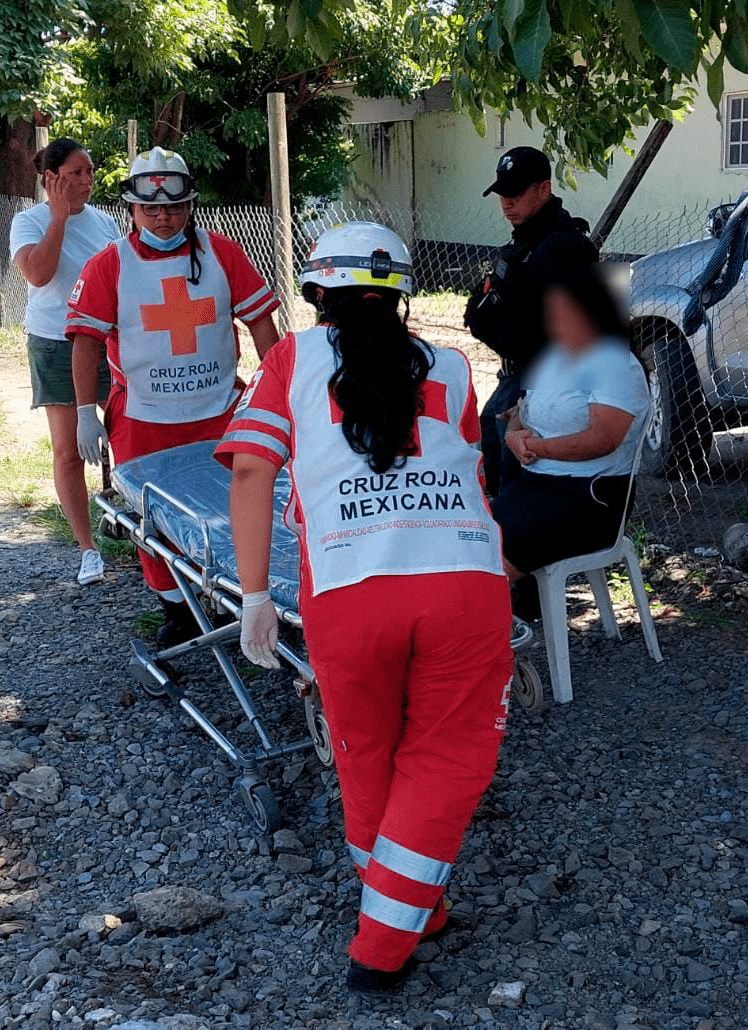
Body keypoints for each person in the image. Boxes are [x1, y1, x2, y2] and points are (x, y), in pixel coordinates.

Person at [217, 222, 513, 993]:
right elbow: (467, 468)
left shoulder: (292, 358)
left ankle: (390, 930)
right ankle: (404, 918)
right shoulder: (450, 365)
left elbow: (252, 472)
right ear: (404, 294)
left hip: (348, 593)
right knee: (445, 755)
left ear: (318, 293)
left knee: (365, 751)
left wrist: (255, 596)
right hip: (460, 582)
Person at [66, 148, 279, 645]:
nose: (164, 217)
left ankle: (243, 594)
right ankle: (177, 609)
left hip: (220, 412)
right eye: (151, 209)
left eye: (175, 207)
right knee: (153, 521)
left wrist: (278, 396)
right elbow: (85, 342)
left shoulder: (223, 253)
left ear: (191, 206)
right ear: (132, 210)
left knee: (238, 508)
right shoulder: (108, 265)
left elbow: (262, 325)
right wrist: (83, 413)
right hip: (144, 417)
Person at [492, 263, 650, 582]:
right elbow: (522, 413)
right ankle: (484, 621)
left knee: (487, 551)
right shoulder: (555, 359)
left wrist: (533, 446)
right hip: (538, 487)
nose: (553, 324)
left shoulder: (615, 364)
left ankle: (485, 625)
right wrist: (513, 435)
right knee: (467, 532)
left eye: (563, 314)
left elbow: (602, 439)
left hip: (588, 499)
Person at [9, 138, 117, 586]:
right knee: (68, 450)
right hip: (55, 343)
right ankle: (88, 549)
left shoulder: (107, 223)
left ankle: (124, 518)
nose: (87, 181)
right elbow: (38, 274)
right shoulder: (28, 221)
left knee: (124, 435)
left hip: (109, 342)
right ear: (50, 179)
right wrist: (57, 219)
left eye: (90, 172)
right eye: (76, 173)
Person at [464, 145, 598, 497]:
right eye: (502, 194)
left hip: (541, 382)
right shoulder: (528, 242)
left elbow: (582, 332)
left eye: (516, 193)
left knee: (515, 486)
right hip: (516, 377)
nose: (507, 203)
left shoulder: (561, 247)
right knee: (495, 476)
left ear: (544, 188)